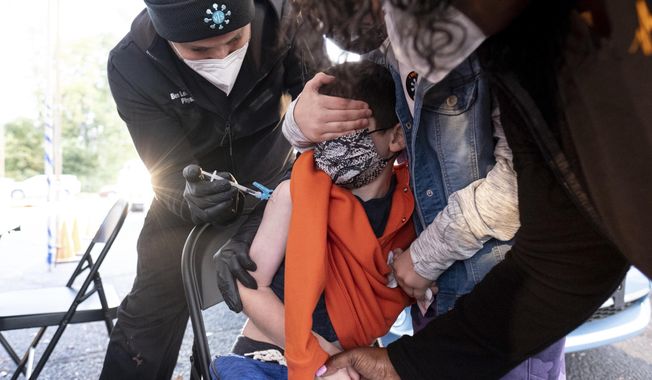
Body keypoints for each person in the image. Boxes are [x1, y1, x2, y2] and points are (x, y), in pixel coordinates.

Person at [284, 0, 650, 379]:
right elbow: (572, 248)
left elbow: (522, 194)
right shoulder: (407, 43)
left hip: (494, 286)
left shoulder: (534, 47)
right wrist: (298, 122)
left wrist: (425, 256)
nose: (386, 19)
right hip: (450, 306)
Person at [101, 0, 311, 378]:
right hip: (185, 196)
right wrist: (188, 199)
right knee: (146, 320)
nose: (220, 56)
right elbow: (164, 169)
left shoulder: (290, 23)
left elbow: (324, 129)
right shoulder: (132, 64)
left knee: (317, 294)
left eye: (234, 41)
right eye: (199, 50)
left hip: (276, 187)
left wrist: (272, 212)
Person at [215, 61, 416, 380]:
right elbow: (250, 288)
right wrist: (321, 359)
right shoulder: (296, 193)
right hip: (271, 359)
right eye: (322, 138)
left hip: (350, 362)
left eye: (347, 138)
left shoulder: (408, 206)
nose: (329, 151)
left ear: (396, 138)